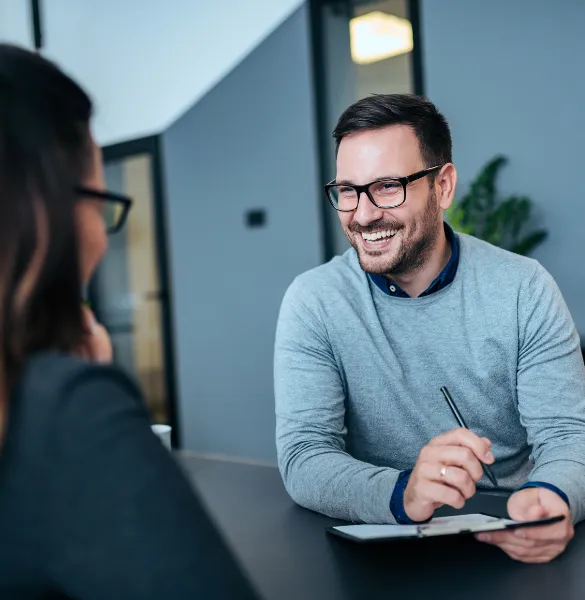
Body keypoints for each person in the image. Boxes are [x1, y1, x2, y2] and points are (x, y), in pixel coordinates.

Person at [274, 94, 585, 563]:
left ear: (442, 186)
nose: (361, 214)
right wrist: (403, 493)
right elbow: (305, 456)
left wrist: (552, 496)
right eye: (348, 190)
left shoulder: (524, 287)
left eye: (386, 187)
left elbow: (568, 436)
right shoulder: (314, 301)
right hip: (383, 553)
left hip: (513, 543)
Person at [0, 44, 258, 599]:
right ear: (42, 214)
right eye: (98, 203)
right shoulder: (63, 413)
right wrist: (77, 390)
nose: (100, 236)